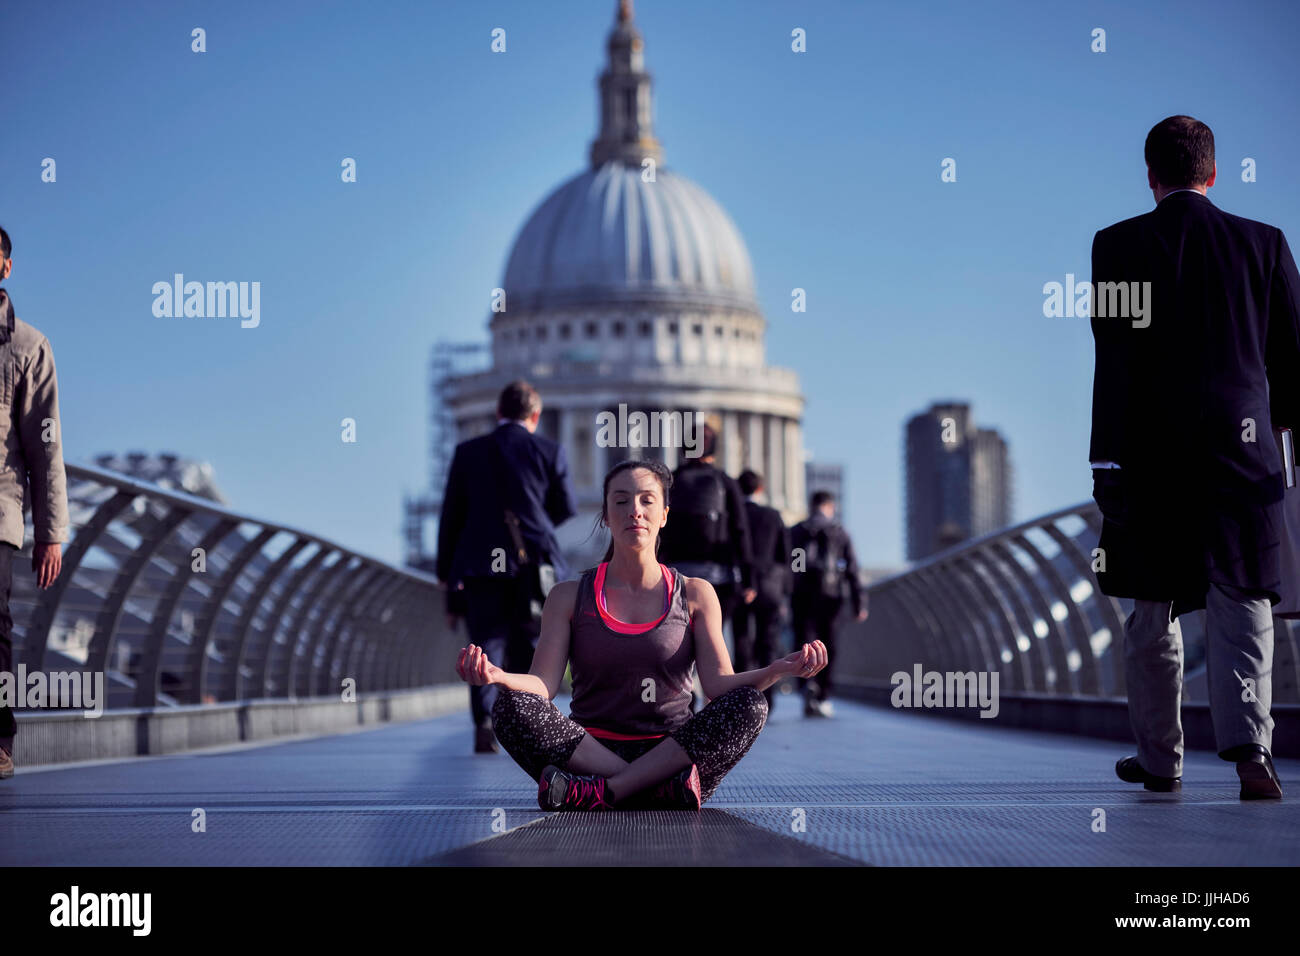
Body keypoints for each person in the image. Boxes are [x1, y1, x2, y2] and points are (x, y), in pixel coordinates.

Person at [1090, 115, 1299, 800]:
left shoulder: (1117, 245)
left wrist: (1107, 462)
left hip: (1149, 456)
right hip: (1245, 453)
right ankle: (1253, 757)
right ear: (1214, 171)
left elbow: (1113, 354)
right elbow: (1292, 360)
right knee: (1243, 598)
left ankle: (1161, 759)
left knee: (1151, 610)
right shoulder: (1263, 244)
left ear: (1150, 176)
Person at [455, 458, 828, 810]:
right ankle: (648, 789)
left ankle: (605, 792)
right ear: (605, 515)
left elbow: (717, 686)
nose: (635, 510)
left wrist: (777, 670)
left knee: (751, 705)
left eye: (647, 500)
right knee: (509, 706)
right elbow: (543, 684)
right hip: (596, 753)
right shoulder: (568, 596)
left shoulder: (696, 594)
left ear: (665, 515)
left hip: (673, 751)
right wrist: (499, 677)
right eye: (621, 501)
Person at [436, 380, 577, 754]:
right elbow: (567, 506)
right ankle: (528, 722)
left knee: (485, 645)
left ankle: (484, 721)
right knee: (532, 643)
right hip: (533, 566)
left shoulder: (468, 451)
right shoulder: (549, 449)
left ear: (498, 412)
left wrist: (445, 574)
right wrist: (537, 525)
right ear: (535, 415)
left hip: (481, 566)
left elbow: (451, 516)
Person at [0, 225, 69, 781]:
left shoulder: (28, 346)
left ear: (6, 268)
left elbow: (46, 446)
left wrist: (52, 531)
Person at [656, 421, 755, 645]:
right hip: (717, 574)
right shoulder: (725, 482)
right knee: (712, 637)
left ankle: (684, 678)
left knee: (677, 636)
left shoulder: (669, 481)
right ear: (714, 449)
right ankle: (709, 676)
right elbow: (740, 530)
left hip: (675, 573)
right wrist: (749, 579)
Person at [790, 490, 865, 718]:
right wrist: (859, 602)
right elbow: (852, 568)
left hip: (803, 596)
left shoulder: (798, 531)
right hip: (832, 596)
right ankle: (823, 695)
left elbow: (795, 564)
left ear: (812, 506)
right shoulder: (840, 532)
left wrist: (794, 589)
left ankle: (806, 685)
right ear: (830, 507)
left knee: (804, 641)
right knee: (828, 644)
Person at [732, 469, 791, 715]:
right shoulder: (772, 515)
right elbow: (786, 556)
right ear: (760, 489)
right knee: (768, 643)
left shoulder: (734, 514)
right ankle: (767, 701)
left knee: (742, 641)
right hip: (769, 587)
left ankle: (744, 698)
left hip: (739, 586)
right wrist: (785, 590)